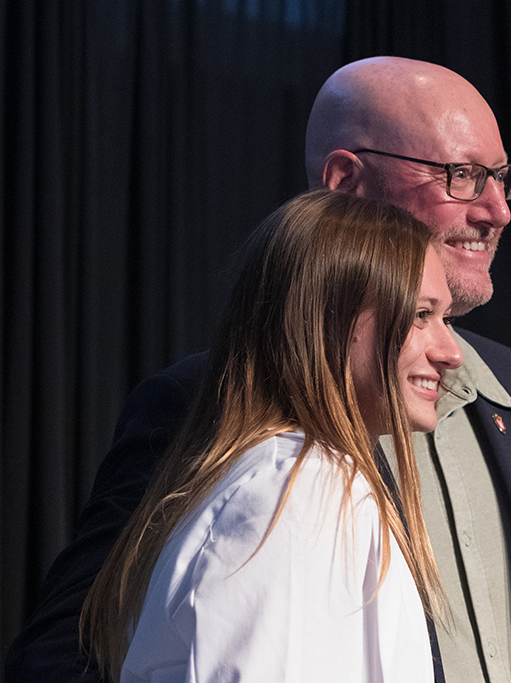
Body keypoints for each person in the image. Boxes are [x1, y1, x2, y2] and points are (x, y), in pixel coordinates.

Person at [6, 57, 511, 683]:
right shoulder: (212, 406)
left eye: (500, 178)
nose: (498, 211)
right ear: (344, 181)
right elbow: (69, 649)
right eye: (463, 175)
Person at [80, 190, 460, 681]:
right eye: (420, 315)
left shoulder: (293, 482)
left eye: (444, 318)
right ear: (330, 320)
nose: (451, 351)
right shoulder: (299, 492)